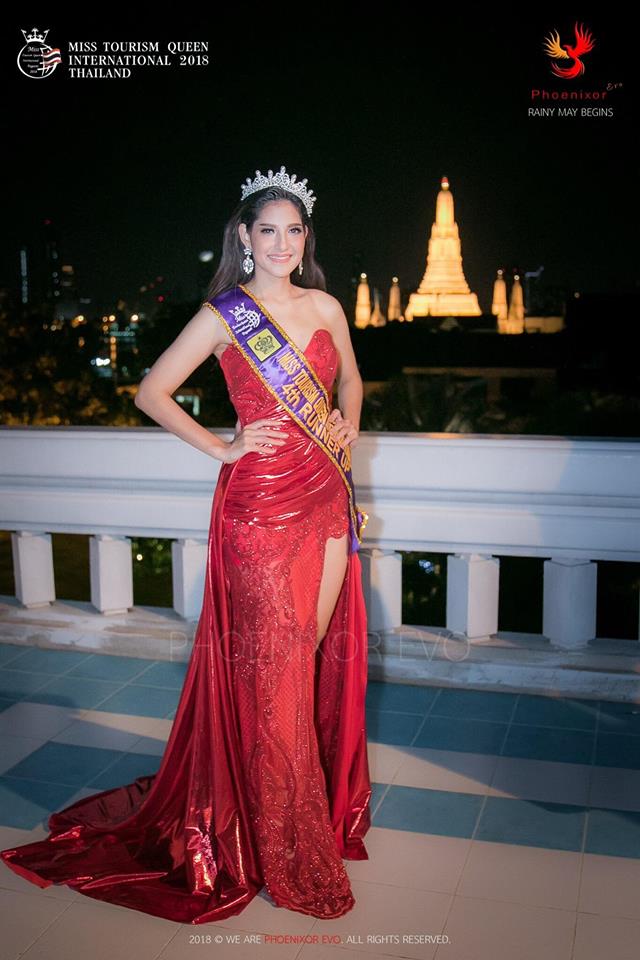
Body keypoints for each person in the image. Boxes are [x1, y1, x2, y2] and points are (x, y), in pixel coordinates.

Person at [0, 165, 372, 922]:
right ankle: (286, 845)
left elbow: (354, 383)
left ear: (306, 239)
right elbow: (150, 391)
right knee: (272, 674)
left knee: (301, 659)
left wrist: (348, 426)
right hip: (259, 510)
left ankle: (281, 812)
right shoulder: (226, 315)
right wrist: (223, 448)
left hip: (325, 502)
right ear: (243, 237)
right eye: (266, 230)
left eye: (293, 230)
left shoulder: (328, 304)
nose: (280, 243)